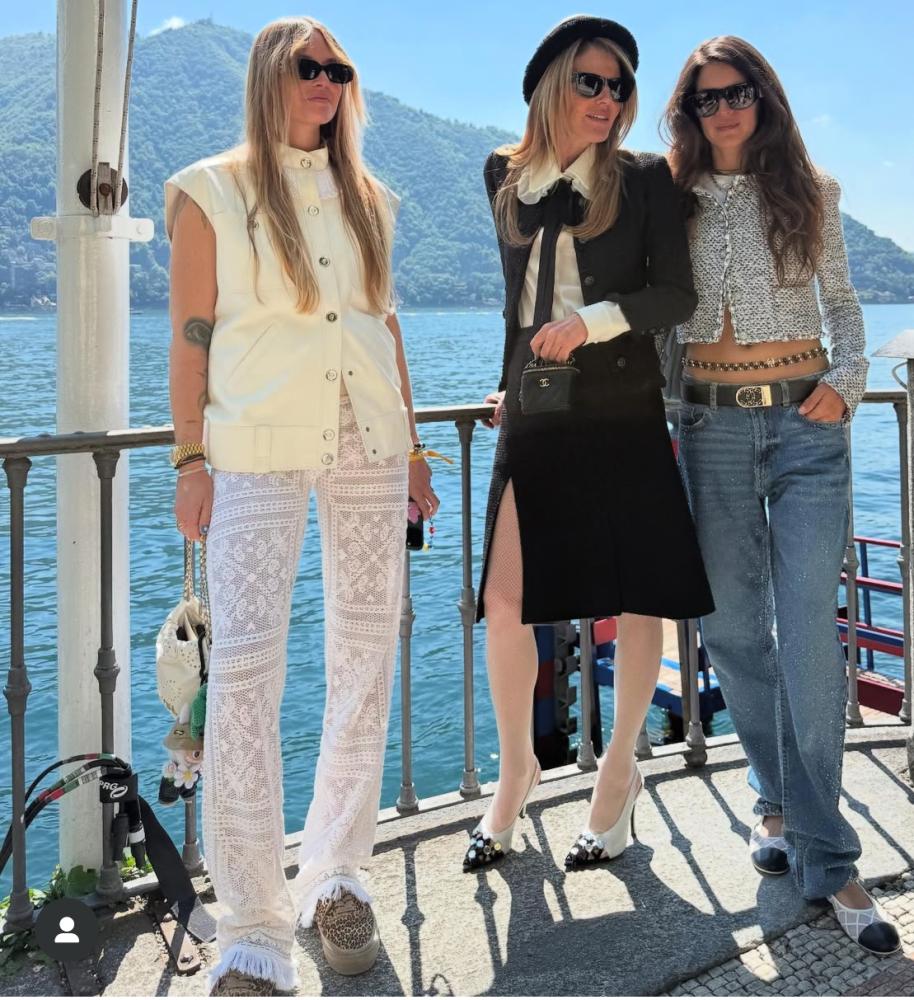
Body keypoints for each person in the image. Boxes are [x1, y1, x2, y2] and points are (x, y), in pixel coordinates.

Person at [166, 16, 438, 995]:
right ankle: (250, 926)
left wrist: (414, 447)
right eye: (306, 66)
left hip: (369, 436)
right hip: (254, 445)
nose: (325, 81)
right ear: (268, 77)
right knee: (243, 673)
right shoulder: (211, 190)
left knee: (365, 654)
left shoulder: (370, 198)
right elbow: (191, 334)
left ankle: (335, 874)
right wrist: (189, 457)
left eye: (338, 69)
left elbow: (383, 325)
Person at [664, 35, 900, 955]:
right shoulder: (670, 194)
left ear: (763, 97)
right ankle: (776, 801)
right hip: (710, 429)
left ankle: (830, 859)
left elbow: (842, 302)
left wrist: (847, 379)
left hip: (808, 425)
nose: (723, 110)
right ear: (689, 112)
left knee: (806, 630)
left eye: (738, 93)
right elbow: (651, 317)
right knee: (730, 629)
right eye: (706, 99)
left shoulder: (812, 191)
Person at [468, 15, 714, 876]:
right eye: (591, 82)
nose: (608, 99)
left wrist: (592, 322)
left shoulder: (643, 179)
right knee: (504, 599)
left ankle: (618, 774)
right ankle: (517, 773)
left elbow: (675, 296)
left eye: (620, 86)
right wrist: (508, 379)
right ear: (552, 84)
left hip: (621, 406)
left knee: (640, 595)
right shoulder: (503, 174)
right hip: (536, 410)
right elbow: (517, 299)